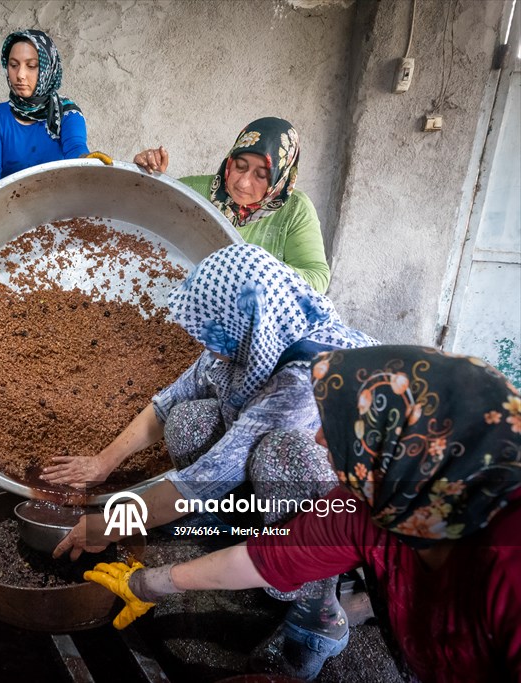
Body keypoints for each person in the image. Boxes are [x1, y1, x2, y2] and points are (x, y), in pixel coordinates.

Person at [83, 346, 521, 682]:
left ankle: (330, 618)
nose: (319, 437)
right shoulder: (374, 508)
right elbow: (265, 558)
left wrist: (111, 523)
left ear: (405, 451)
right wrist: (147, 584)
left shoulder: (508, 565)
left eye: (341, 430)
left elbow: (202, 486)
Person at [45, 243, 377, 678]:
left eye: (212, 330)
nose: (201, 340)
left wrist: (110, 524)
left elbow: (205, 478)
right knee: (189, 419)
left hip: (343, 505)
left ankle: (318, 617)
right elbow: (168, 405)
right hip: (266, 472)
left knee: (283, 457)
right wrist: (103, 463)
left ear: (246, 324)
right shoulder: (252, 338)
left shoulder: (303, 377)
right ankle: (234, 534)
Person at [134, 117, 330, 293]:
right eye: (240, 166)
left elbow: (317, 278)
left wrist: (256, 267)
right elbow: (139, 225)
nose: (243, 182)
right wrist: (149, 181)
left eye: (261, 175)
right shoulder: (193, 191)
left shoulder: (295, 209)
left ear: (280, 178)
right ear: (230, 160)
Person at [0, 29, 109, 206]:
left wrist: (86, 160)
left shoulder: (67, 113)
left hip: (64, 210)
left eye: (31, 66)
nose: (20, 75)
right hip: (13, 212)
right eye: (13, 65)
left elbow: (76, 148)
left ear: (48, 68)